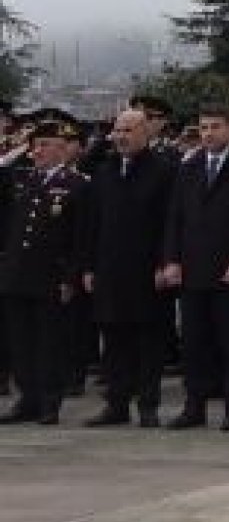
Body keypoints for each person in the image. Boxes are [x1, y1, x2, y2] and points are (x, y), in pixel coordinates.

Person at [160, 103, 229, 431]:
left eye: (215, 127)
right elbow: (174, 218)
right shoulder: (188, 168)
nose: (208, 134)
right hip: (192, 270)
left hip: (228, 271)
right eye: (203, 128)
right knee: (194, 344)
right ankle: (194, 407)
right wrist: (172, 259)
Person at [79, 108, 177, 428]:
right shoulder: (104, 172)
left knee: (147, 342)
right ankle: (116, 405)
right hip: (109, 269)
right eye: (117, 131)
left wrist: (166, 262)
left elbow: (170, 223)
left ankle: (148, 405)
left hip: (147, 270)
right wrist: (89, 266)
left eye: (128, 130)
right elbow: (92, 223)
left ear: (145, 133)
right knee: (114, 340)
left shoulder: (163, 171)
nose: (121, 137)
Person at [0, 112, 93, 425]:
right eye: (34, 145)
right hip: (17, 274)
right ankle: (27, 397)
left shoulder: (76, 186)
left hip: (51, 275)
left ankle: (49, 401)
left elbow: (81, 239)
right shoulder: (21, 179)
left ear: (62, 149)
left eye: (44, 145)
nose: (37, 151)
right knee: (20, 342)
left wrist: (71, 278)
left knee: (49, 343)